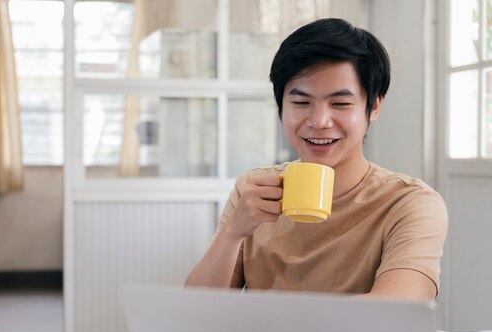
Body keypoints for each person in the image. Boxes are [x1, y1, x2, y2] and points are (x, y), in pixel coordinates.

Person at [185, 18, 447, 301]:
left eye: (340, 104)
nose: (319, 121)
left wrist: (270, 322)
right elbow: (195, 309)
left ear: (373, 107)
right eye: (301, 103)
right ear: (281, 107)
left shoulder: (409, 203)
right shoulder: (252, 190)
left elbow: (398, 308)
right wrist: (232, 233)